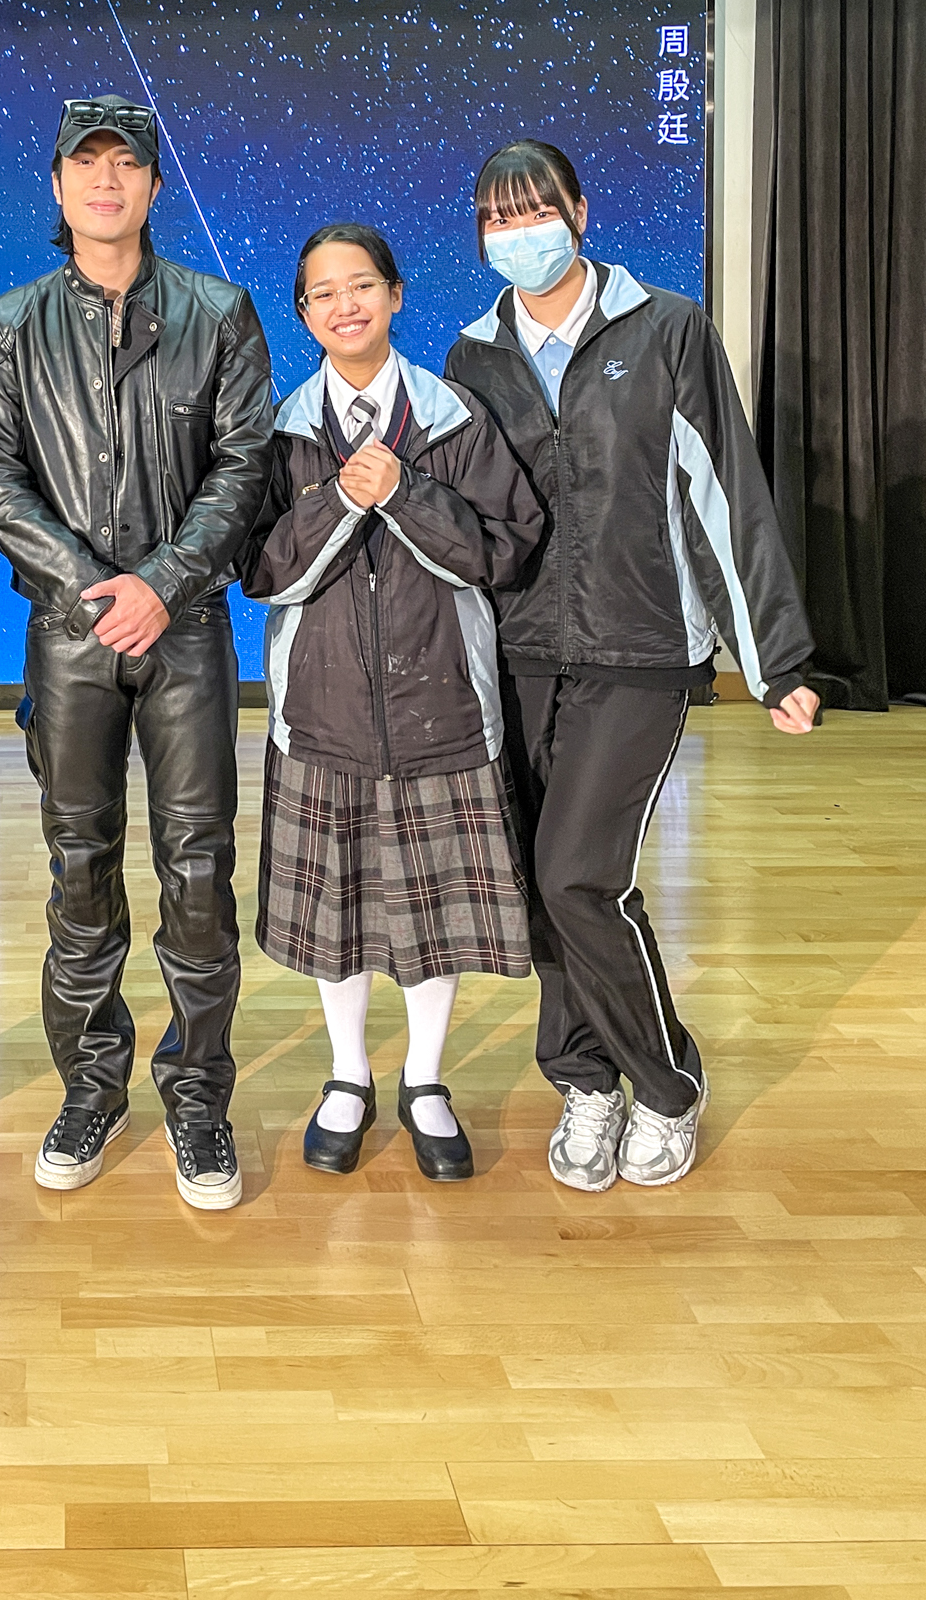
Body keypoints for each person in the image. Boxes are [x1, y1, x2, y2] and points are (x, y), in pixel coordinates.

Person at [446, 141, 819, 1193]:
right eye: (497, 217)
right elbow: (469, 519)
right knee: (540, 881)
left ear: (579, 211)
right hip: (521, 652)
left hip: (642, 649)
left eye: (535, 210)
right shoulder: (475, 355)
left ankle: (666, 1084)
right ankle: (584, 1081)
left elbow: (724, 491)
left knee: (580, 873)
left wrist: (775, 656)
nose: (518, 232)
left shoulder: (668, 329)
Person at [0, 96, 274, 1211]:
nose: (105, 180)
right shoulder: (9, 323)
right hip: (69, 634)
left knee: (199, 868)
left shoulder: (219, 312)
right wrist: (94, 590)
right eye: (85, 163)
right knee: (79, 865)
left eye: (125, 163)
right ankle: (91, 1087)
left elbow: (244, 465)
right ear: (58, 186)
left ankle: (198, 1096)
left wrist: (162, 583)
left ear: (152, 184)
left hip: (186, 631)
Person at [241, 224, 543, 1180]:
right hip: (322, 711)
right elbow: (260, 567)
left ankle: (424, 1079)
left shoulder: (454, 417)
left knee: (433, 911)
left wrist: (406, 492)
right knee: (338, 910)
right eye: (324, 293)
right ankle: (346, 1075)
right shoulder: (284, 430)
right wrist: (341, 499)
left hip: (442, 703)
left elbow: (506, 547)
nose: (346, 305)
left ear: (397, 295)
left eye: (362, 285)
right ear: (303, 315)